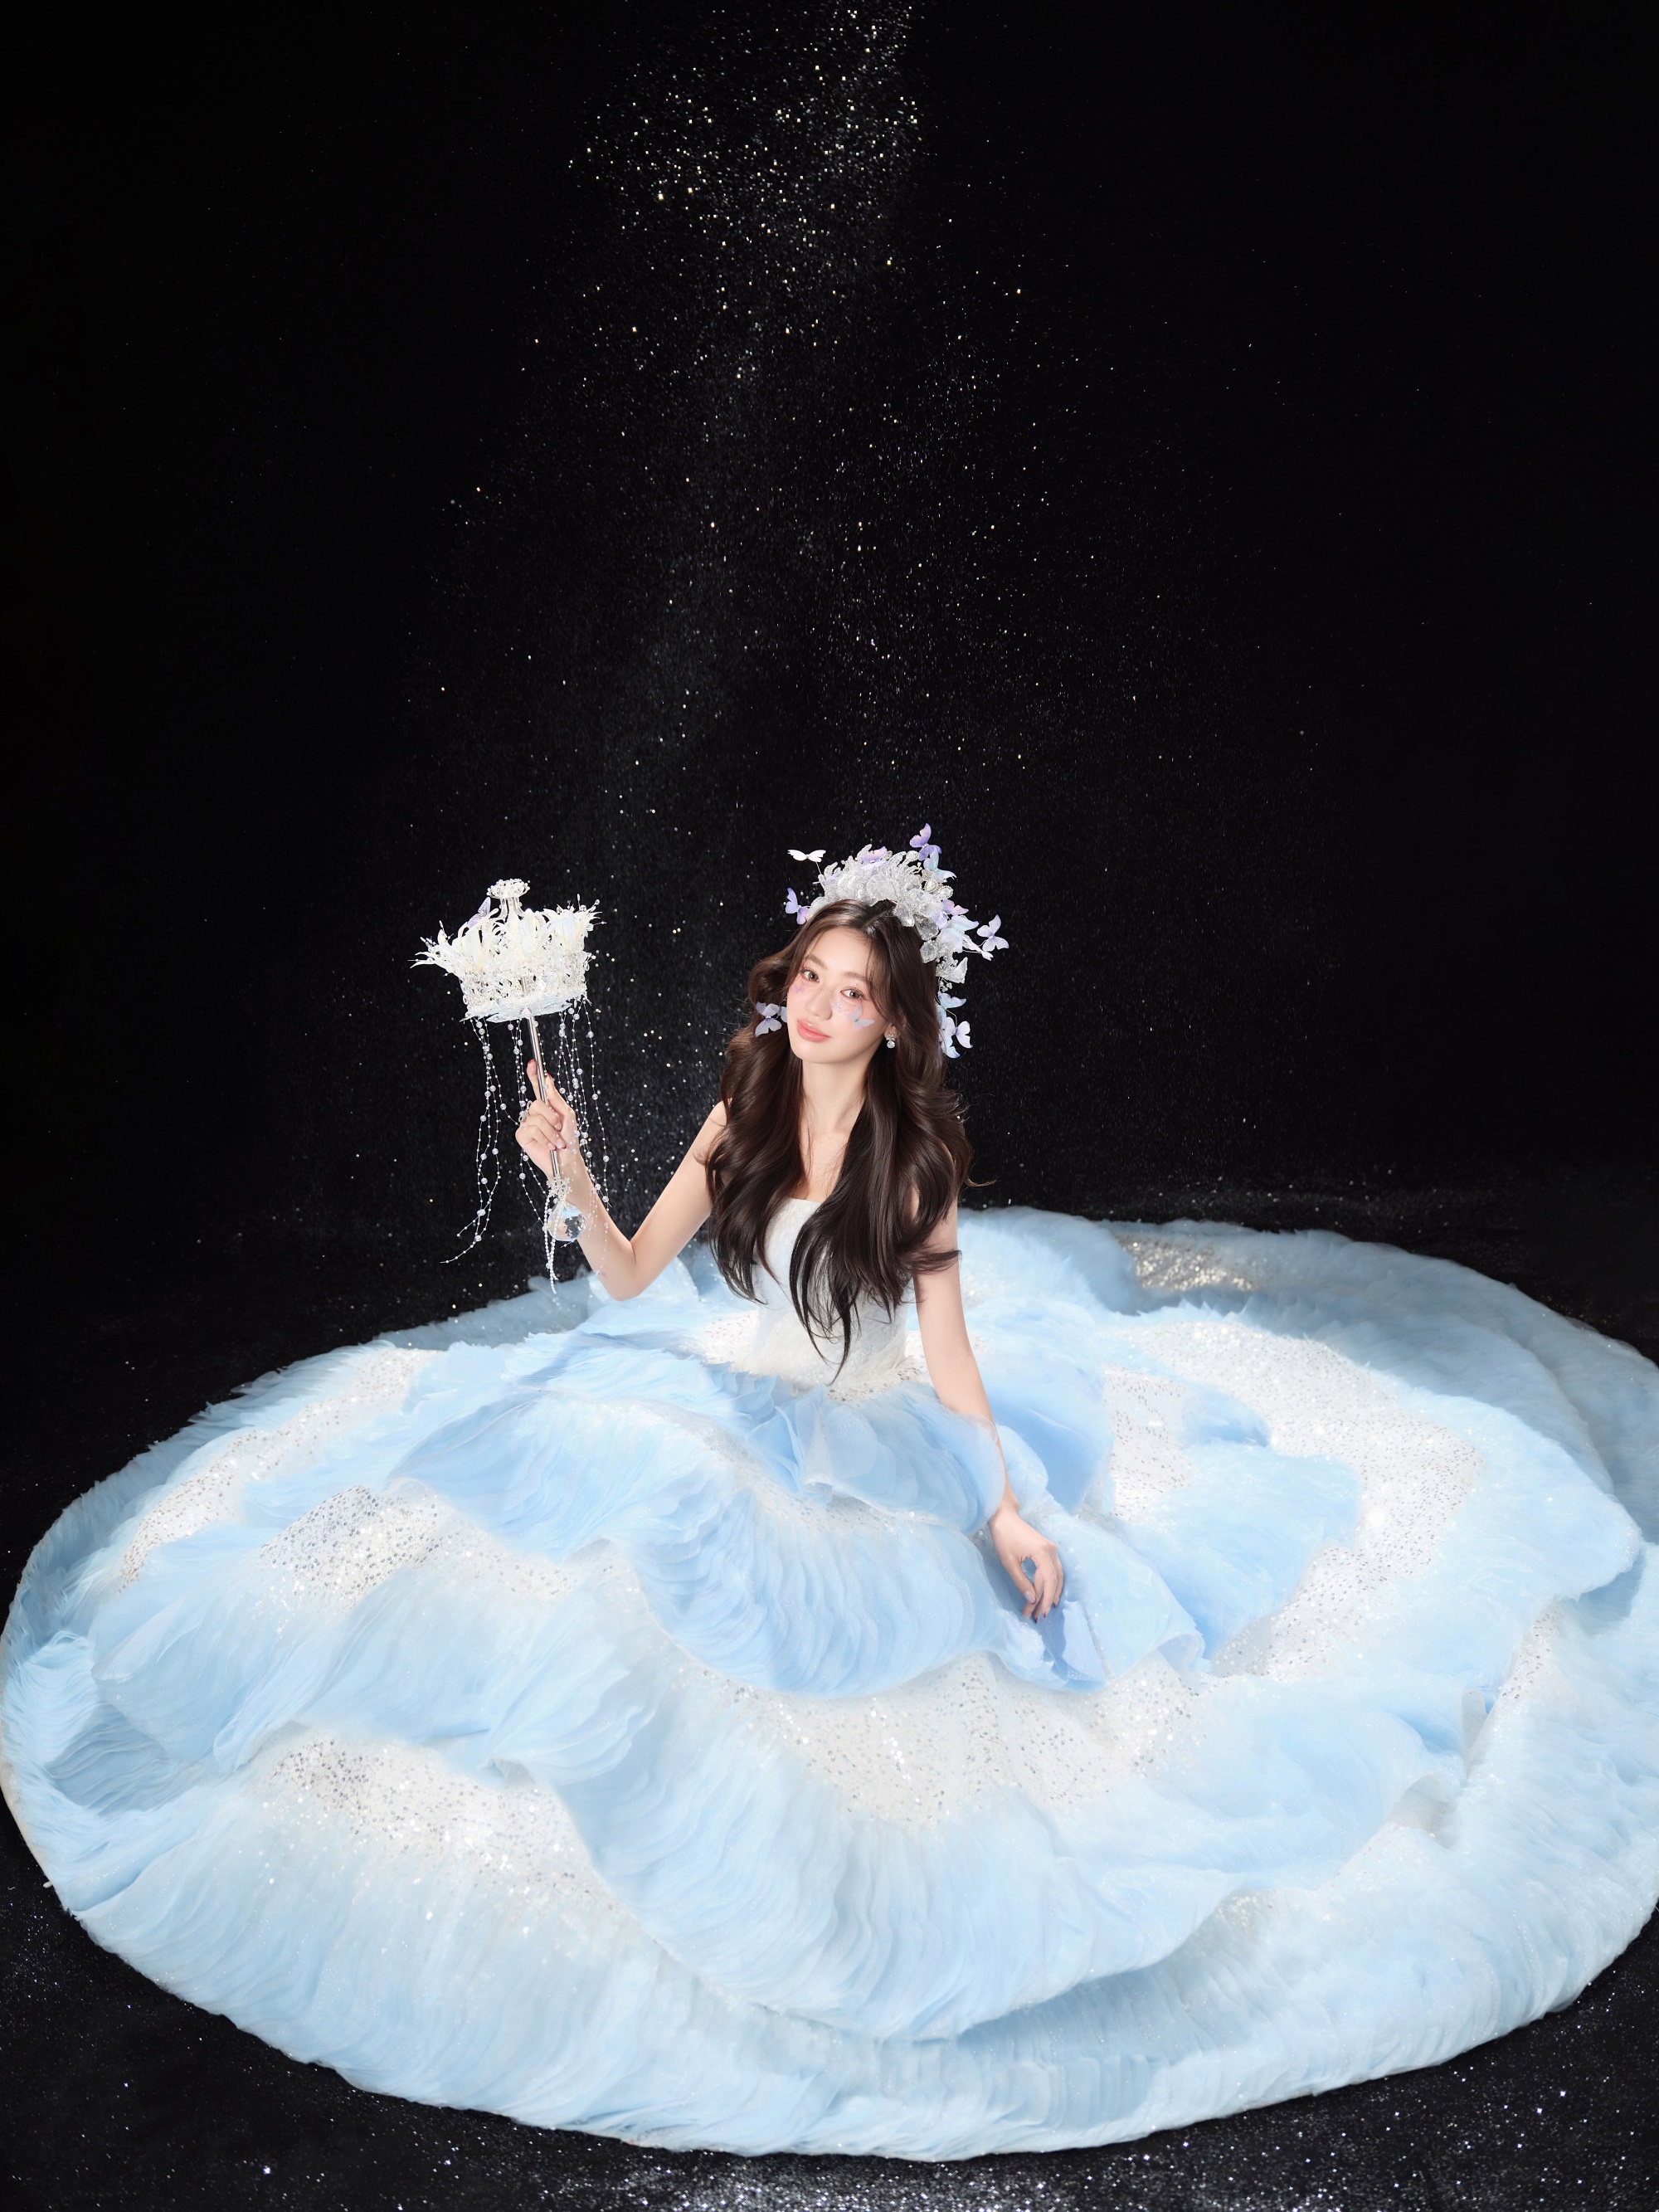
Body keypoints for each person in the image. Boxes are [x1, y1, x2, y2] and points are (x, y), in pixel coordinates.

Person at [3, 831, 1658, 2161]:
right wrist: (568, 1169)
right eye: (808, 976)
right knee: (589, 1514)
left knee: (858, 1626)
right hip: (726, 1387)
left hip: (866, 1432)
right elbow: (633, 1277)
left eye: (852, 992)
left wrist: (1003, 1509)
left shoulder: (910, 1166)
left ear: (890, 1022)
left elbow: (951, 1364)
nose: (816, 1005)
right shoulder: (739, 1104)